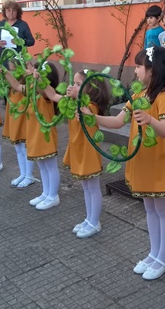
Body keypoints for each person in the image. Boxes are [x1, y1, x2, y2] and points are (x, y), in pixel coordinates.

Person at [89, 46, 165, 280]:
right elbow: (119, 121)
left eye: (139, 66)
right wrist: (93, 117)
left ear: (153, 70)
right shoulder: (138, 95)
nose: (136, 70)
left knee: (163, 209)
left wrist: (149, 119)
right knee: (149, 208)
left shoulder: (164, 97)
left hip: (158, 160)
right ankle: (154, 253)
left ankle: (164, 257)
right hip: (141, 159)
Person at [5, 61, 62, 209]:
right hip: (34, 132)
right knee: (41, 164)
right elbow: (17, 86)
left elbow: (44, 89)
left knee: (50, 165)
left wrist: (38, 78)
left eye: (36, 71)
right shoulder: (32, 88)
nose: (30, 73)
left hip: (45, 134)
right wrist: (5, 73)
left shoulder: (46, 93)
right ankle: (45, 193)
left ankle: (53, 196)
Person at [63, 69, 110, 238]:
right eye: (74, 83)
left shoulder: (91, 107)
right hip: (79, 148)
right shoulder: (79, 104)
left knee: (93, 187)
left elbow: (86, 117)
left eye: (78, 84)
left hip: (89, 152)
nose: (74, 86)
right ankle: (89, 218)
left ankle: (94, 222)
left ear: (90, 88)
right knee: (85, 187)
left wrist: (76, 97)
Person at [1, 60, 35, 188]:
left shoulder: (26, 85)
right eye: (10, 69)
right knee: (18, 147)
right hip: (14, 118)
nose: (12, 72)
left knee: (25, 148)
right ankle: (23, 173)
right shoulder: (11, 85)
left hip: (24, 118)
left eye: (14, 69)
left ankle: (29, 176)